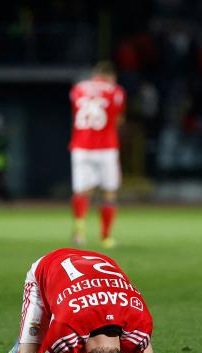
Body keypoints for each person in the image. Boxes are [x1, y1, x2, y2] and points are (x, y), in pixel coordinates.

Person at [0, 248, 156, 353]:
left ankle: (36, 342)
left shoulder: (141, 328)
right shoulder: (68, 331)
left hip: (98, 267)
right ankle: (23, 347)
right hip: (51, 265)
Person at [69, 61, 126, 248]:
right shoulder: (115, 91)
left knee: (82, 191)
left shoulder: (78, 88)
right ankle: (105, 236)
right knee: (109, 193)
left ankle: (79, 230)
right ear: (110, 76)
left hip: (81, 146)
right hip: (106, 147)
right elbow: (117, 119)